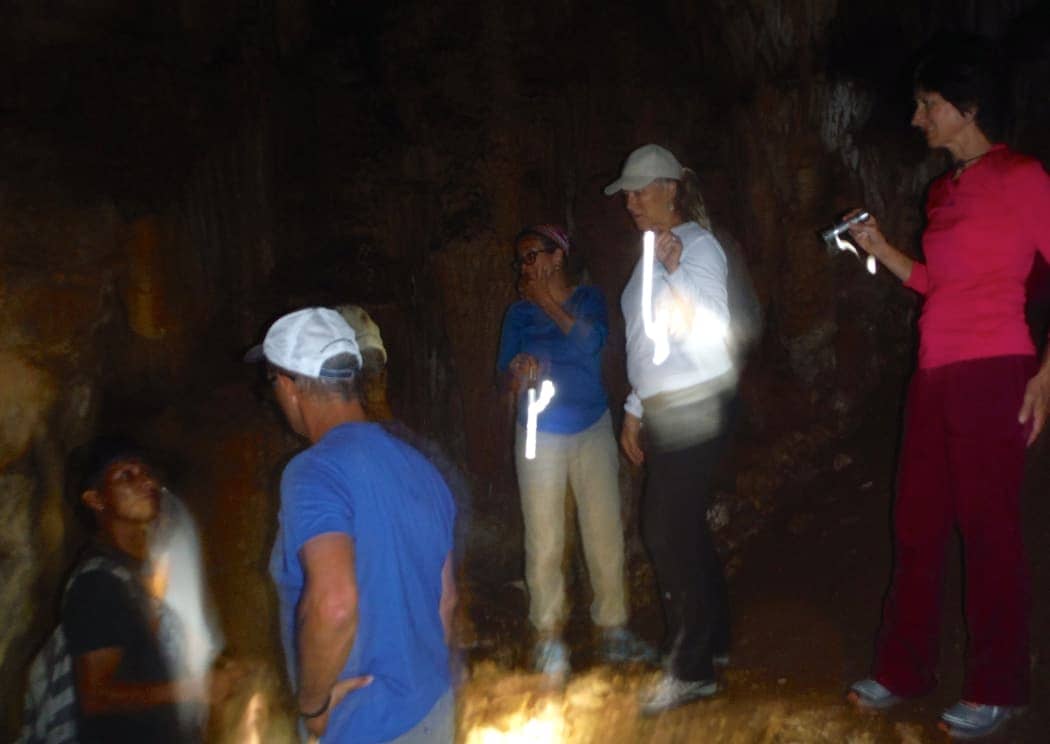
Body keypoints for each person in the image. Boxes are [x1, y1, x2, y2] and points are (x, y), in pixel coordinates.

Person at [844, 34, 1050, 739]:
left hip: (996, 369)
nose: (916, 118)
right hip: (933, 373)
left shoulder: (1023, 177)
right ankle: (903, 670)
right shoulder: (942, 191)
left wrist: (1046, 376)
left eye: (928, 104)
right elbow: (939, 283)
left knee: (989, 531)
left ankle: (999, 685)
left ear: (966, 108)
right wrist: (880, 250)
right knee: (916, 526)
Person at [246, 307, 457, 743]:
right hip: (433, 709)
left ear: (288, 386)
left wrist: (313, 705)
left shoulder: (312, 473)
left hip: (361, 724)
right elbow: (446, 603)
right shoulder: (422, 467)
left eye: (272, 384)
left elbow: (335, 604)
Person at [604, 144, 737, 715]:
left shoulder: (697, 248)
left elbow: (714, 326)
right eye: (627, 192)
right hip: (667, 404)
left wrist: (679, 267)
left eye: (639, 190)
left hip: (696, 401)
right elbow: (649, 343)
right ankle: (714, 639)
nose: (630, 200)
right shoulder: (650, 254)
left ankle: (692, 670)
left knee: (664, 530)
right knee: (682, 529)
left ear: (670, 190)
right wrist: (635, 406)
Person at [496, 224, 656, 678]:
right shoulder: (517, 316)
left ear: (558, 256)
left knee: (604, 531)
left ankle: (613, 630)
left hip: (591, 426)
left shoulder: (588, 300)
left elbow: (591, 344)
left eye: (532, 256)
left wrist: (545, 300)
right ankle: (547, 637)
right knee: (544, 536)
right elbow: (502, 375)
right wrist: (519, 370)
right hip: (538, 432)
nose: (524, 267)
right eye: (521, 260)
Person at [60, 438, 230, 743]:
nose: (146, 481)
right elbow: (96, 695)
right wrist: (193, 688)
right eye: (126, 476)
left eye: (146, 472)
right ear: (96, 499)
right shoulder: (97, 583)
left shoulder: (139, 577)